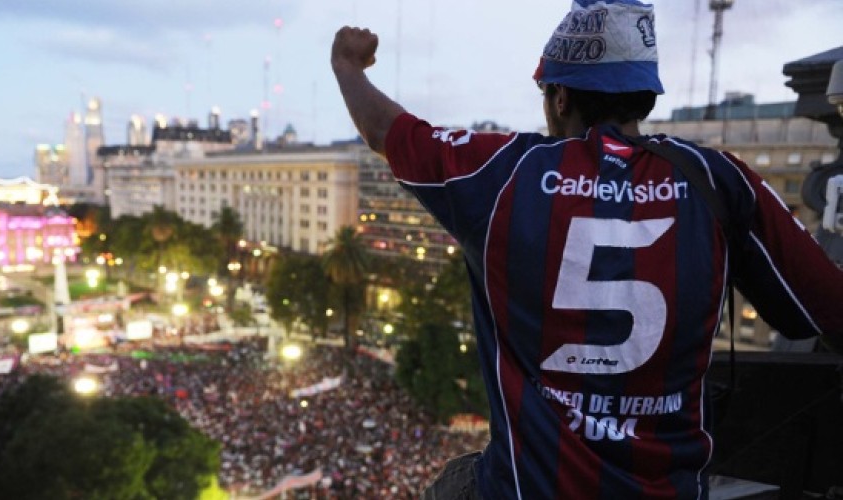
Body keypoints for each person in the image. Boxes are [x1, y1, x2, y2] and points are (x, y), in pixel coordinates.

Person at [330, 0, 843, 498]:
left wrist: (348, 65)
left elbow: (386, 130)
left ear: (559, 98)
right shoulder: (719, 178)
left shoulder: (505, 172)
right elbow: (824, 306)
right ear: (644, 95)